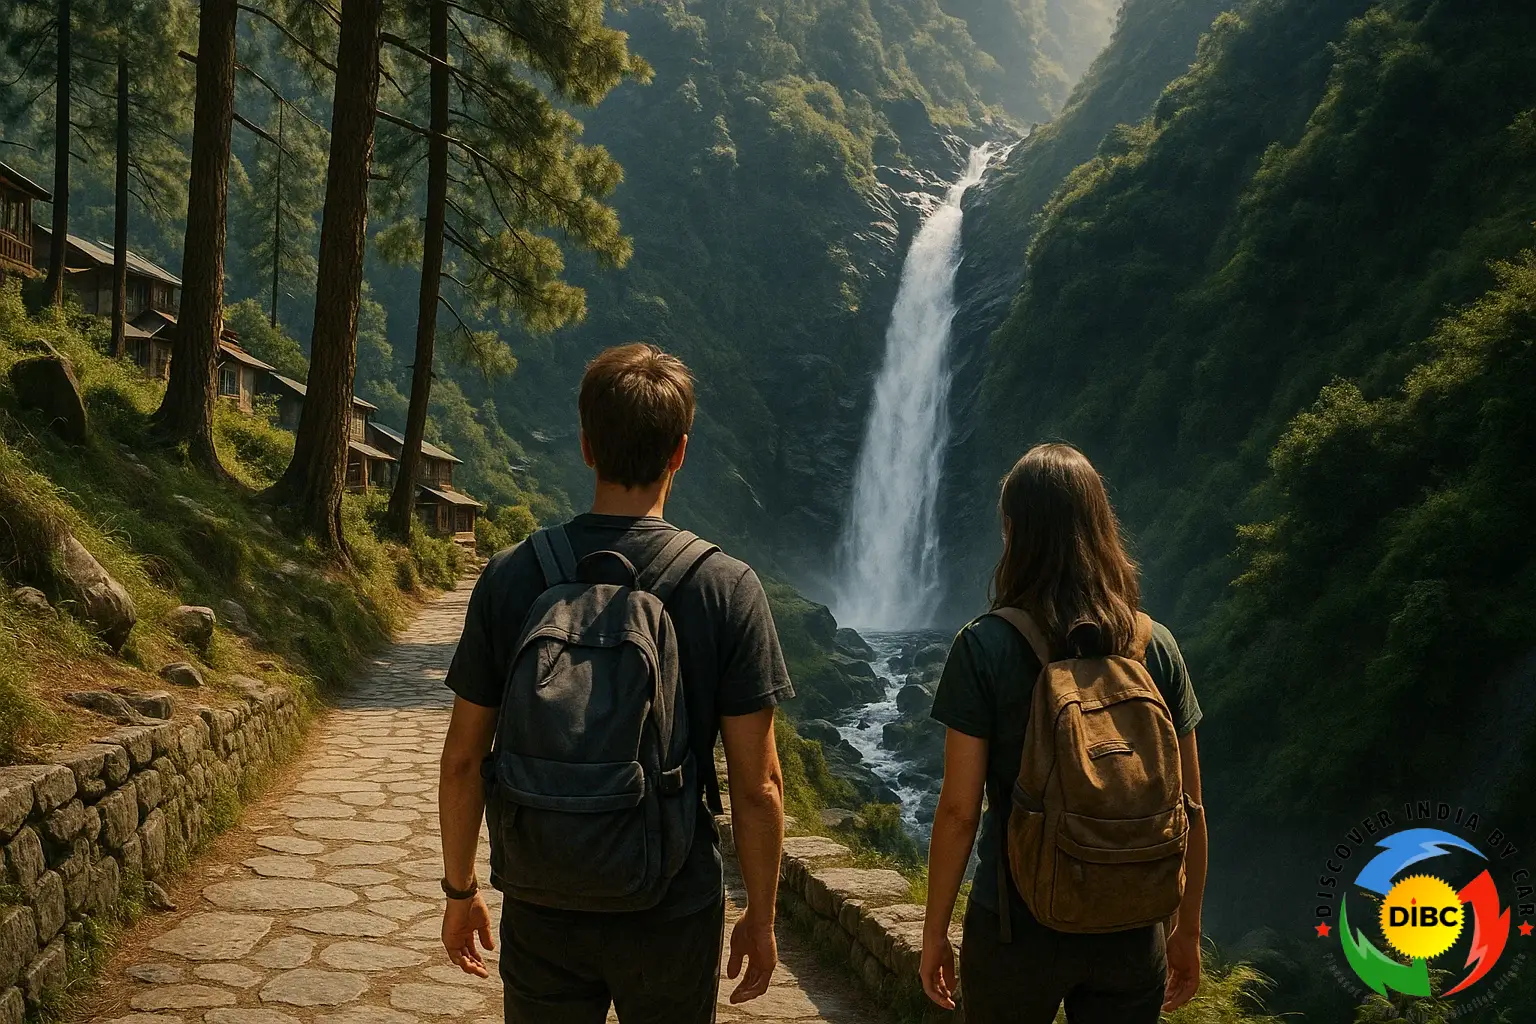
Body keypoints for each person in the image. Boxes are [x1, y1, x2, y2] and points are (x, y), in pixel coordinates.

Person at [437, 343, 792, 1023]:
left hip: (544, 894)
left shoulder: (514, 576)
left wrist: (460, 891)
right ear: (680, 452)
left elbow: (461, 760)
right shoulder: (725, 587)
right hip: (670, 904)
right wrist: (761, 916)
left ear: (586, 446)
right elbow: (759, 785)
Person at [919, 442, 1207, 1023]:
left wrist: (934, 932)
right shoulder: (1157, 646)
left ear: (1012, 531)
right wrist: (1187, 929)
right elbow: (1191, 806)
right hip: (1131, 921)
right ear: (1102, 528)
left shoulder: (984, 646)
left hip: (1014, 923)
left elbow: (957, 812)